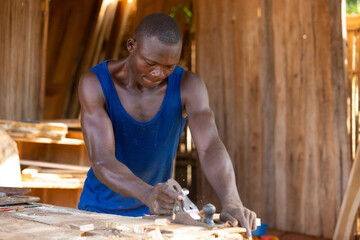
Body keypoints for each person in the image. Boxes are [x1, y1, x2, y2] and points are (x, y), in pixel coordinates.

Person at [78, 13, 257, 237]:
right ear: (131, 46)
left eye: (168, 67)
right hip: (98, 212)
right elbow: (102, 160)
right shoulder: (95, 83)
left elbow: (210, 146)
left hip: (156, 218)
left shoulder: (189, 86)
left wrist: (231, 201)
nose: (158, 74)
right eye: (150, 63)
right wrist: (147, 193)